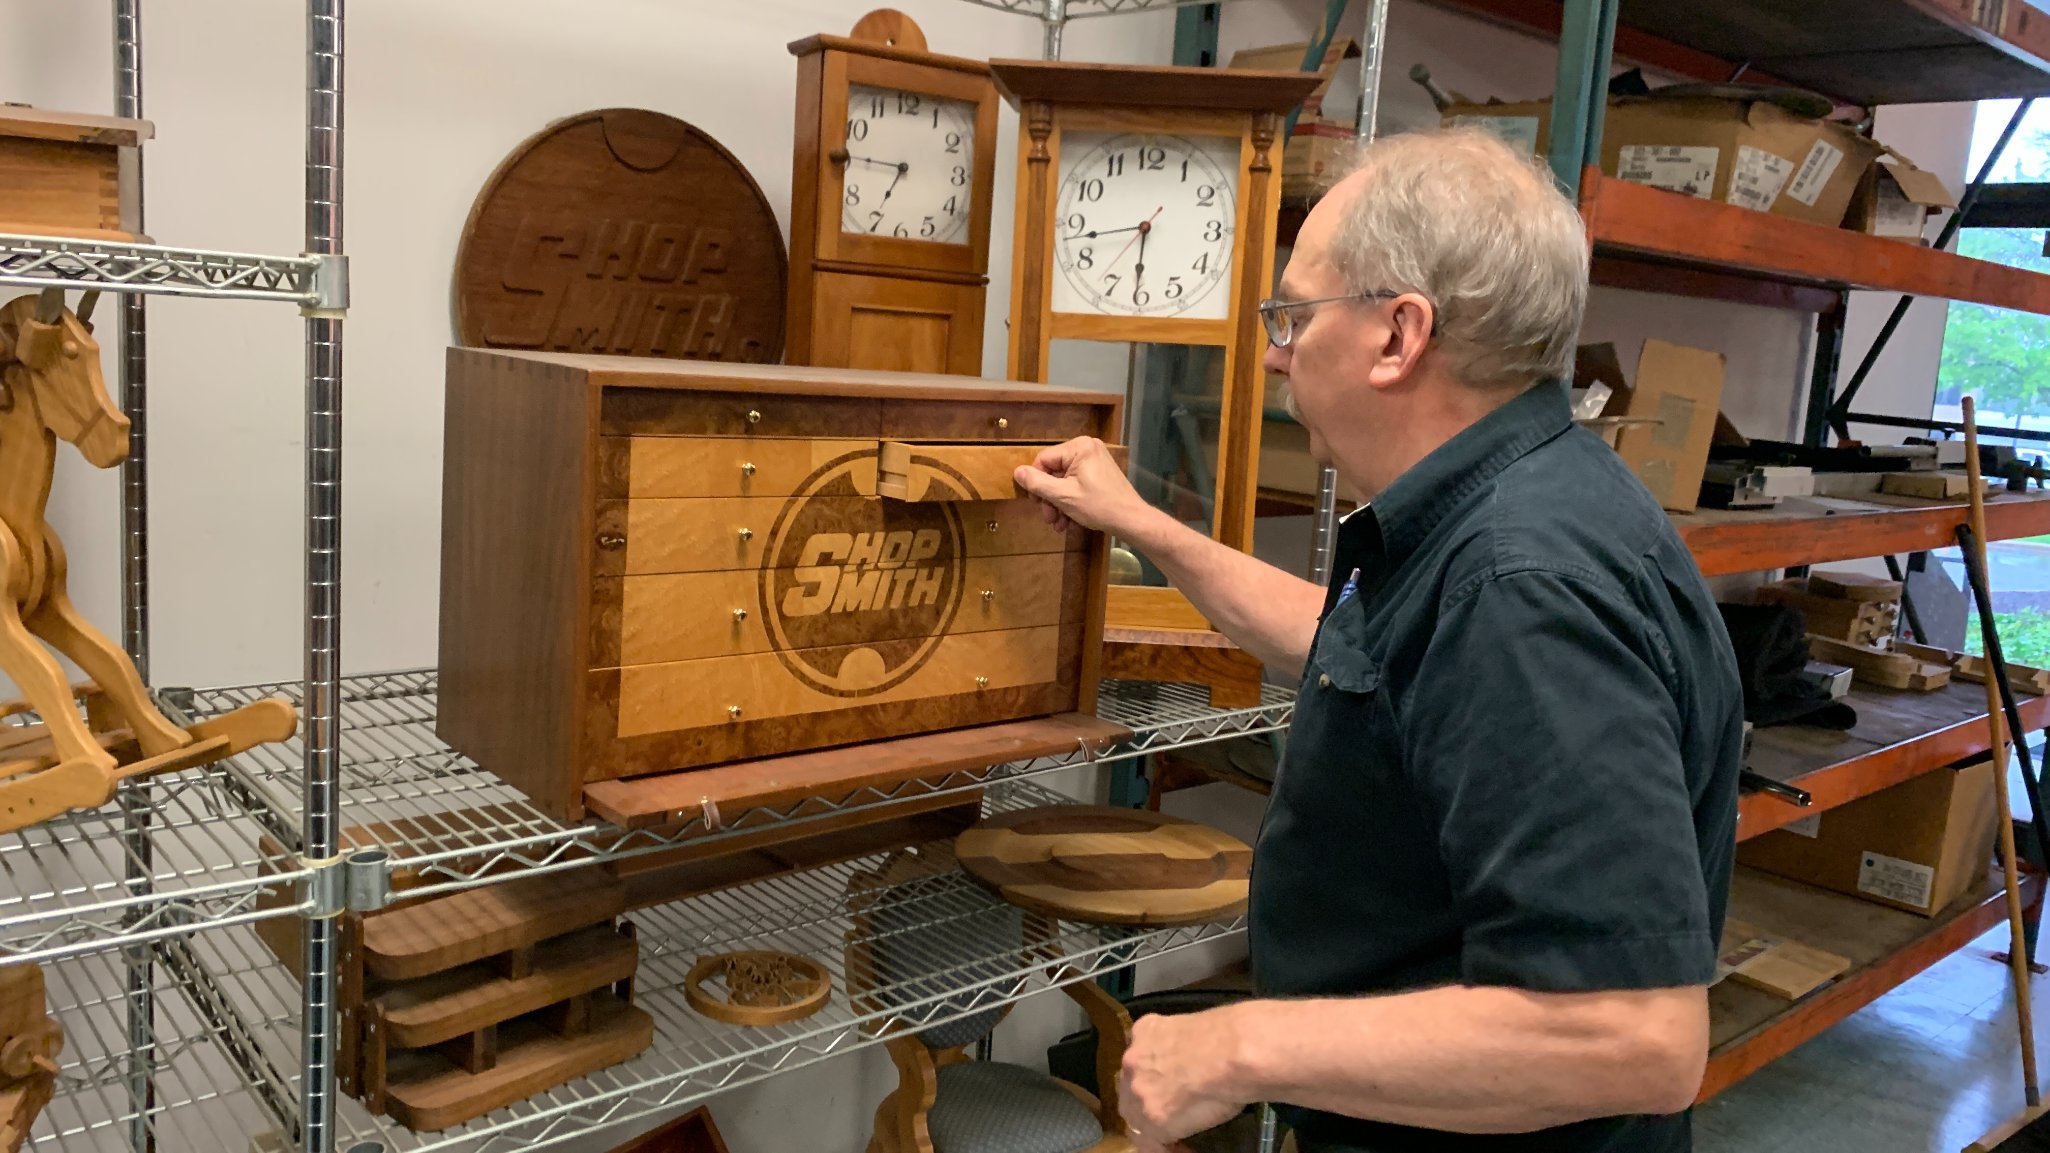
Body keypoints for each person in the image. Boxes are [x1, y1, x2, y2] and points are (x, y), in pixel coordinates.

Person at [1011, 128, 1745, 1153]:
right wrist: (1140, 524)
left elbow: (1631, 1036)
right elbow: (1369, 653)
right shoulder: (1517, 505)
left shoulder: (1520, 587)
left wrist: (1239, 1047)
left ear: (1399, 336)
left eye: (1293, 316)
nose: (1273, 349)